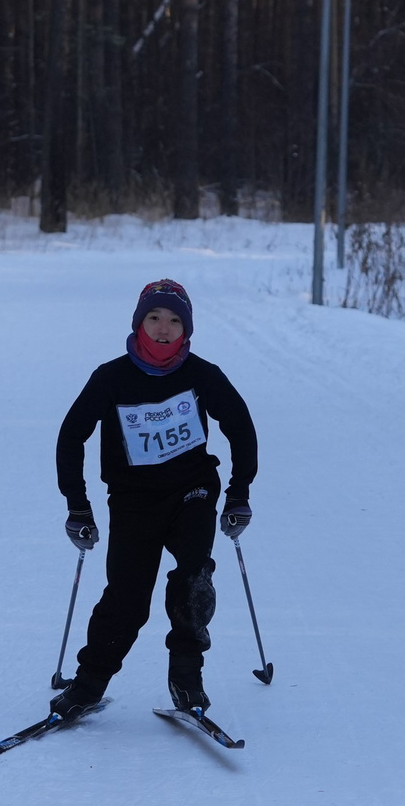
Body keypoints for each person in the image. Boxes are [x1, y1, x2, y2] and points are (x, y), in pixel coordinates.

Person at [51, 279, 258, 718]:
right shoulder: (111, 378)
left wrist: (239, 493)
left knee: (193, 578)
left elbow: (240, 426)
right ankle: (88, 684)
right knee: (127, 598)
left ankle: (186, 677)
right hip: (133, 500)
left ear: (187, 329)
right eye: (154, 318)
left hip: (193, 491)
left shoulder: (202, 375)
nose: (164, 329)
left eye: (174, 321)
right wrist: (77, 505)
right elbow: (72, 437)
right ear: (139, 322)